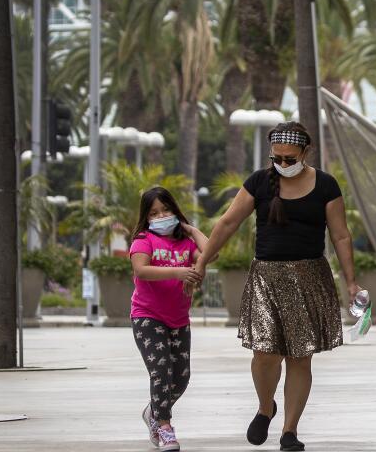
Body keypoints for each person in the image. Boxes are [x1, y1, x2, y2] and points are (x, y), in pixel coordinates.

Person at [192, 121, 360, 452]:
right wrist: (202, 261)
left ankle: (289, 431)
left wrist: (351, 281)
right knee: (265, 354)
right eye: (277, 158)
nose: (283, 164)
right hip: (265, 278)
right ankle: (265, 406)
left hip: (309, 277)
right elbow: (227, 222)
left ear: (306, 152)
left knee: (300, 358)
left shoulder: (326, 185)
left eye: (289, 158)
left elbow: (340, 235)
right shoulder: (259, 182)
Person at [129, 187, 211, 452]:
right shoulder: (144, 239)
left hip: (178, 318)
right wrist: (179, 273)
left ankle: (153, 411)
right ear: (146, 217)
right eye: (154, 213)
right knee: (161, 373)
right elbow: (141, 270)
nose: (161, 216)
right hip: (147, 316)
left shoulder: (186, 243)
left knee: (182, 377)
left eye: (166, 210)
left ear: (175, 211)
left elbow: (210, 253)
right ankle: (164, 428)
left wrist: (191, 230)